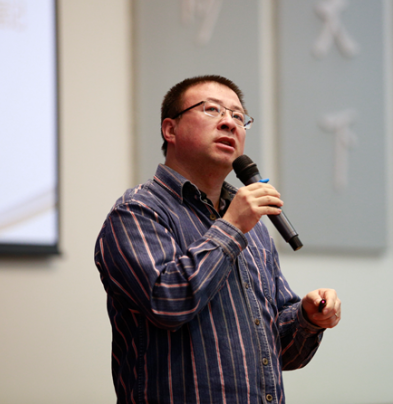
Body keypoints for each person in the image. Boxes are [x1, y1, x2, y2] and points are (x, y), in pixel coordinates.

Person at [94, 75, 341, 404]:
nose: (229, 122)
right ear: (170, 129)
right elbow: (167, 303)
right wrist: (232, 226)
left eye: (239, 116)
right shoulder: (137, 211)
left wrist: (307, 318)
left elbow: (280, 352)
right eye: (211, 110)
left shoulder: (252, 225)